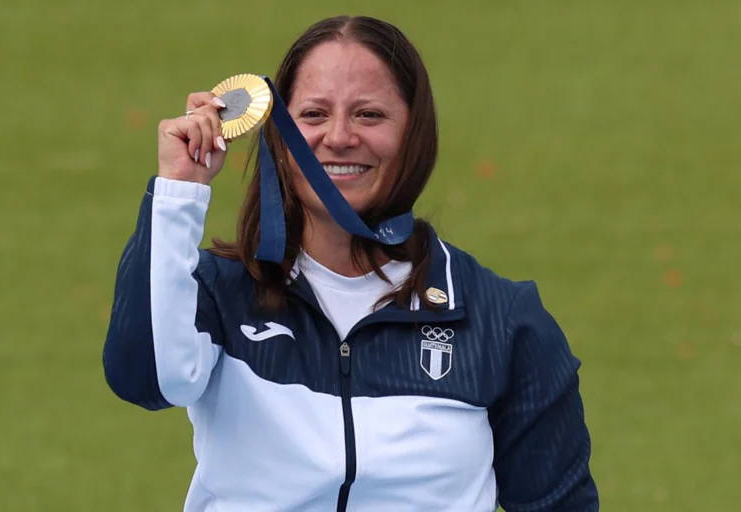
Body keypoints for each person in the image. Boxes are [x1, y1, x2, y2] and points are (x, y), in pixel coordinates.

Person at [102, 14, 598, 512]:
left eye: (369, 115)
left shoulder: (501, 320)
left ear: (414, 134)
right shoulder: (220, 291)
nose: (339, 137)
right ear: (279, 135)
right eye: (314, 115)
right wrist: (179, 191)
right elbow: (146, 379)